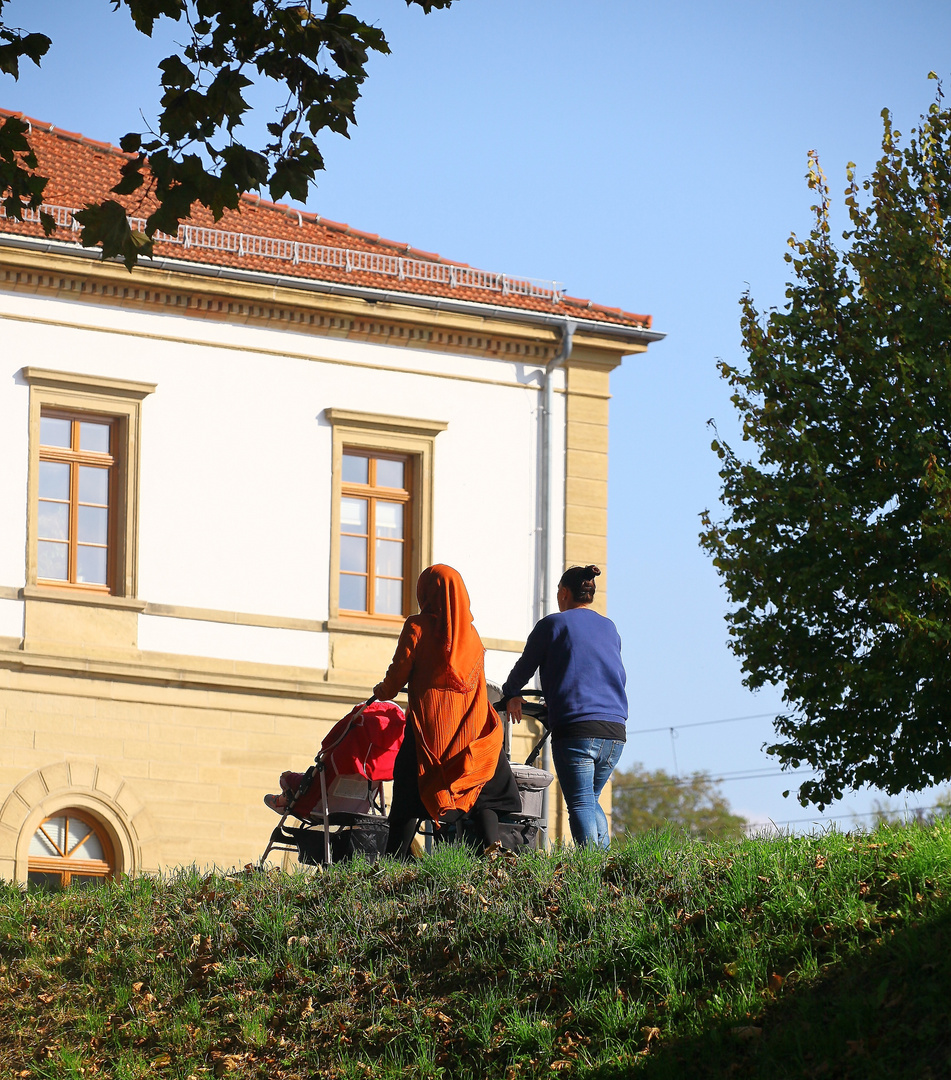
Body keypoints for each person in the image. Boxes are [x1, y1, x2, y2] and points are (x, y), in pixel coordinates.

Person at [373, 564, 520, 858]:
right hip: (472, 730)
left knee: (408, 795)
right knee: (482, 786)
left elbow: (397, 675)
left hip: (431, 731)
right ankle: (492, 848)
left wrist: (381, 693)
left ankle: (392, 860)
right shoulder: (473, 637)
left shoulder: (417, 627)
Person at [500, 564, 627, 848]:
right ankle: (605, 865)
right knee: (590, 800)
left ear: (564, 592)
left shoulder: (553, 624)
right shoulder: (609, 628)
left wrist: (510, 694)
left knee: (580, 803)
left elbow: (524, 668)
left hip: (577, 730)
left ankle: (592, 870)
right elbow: (603, 673)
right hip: (615, 731)